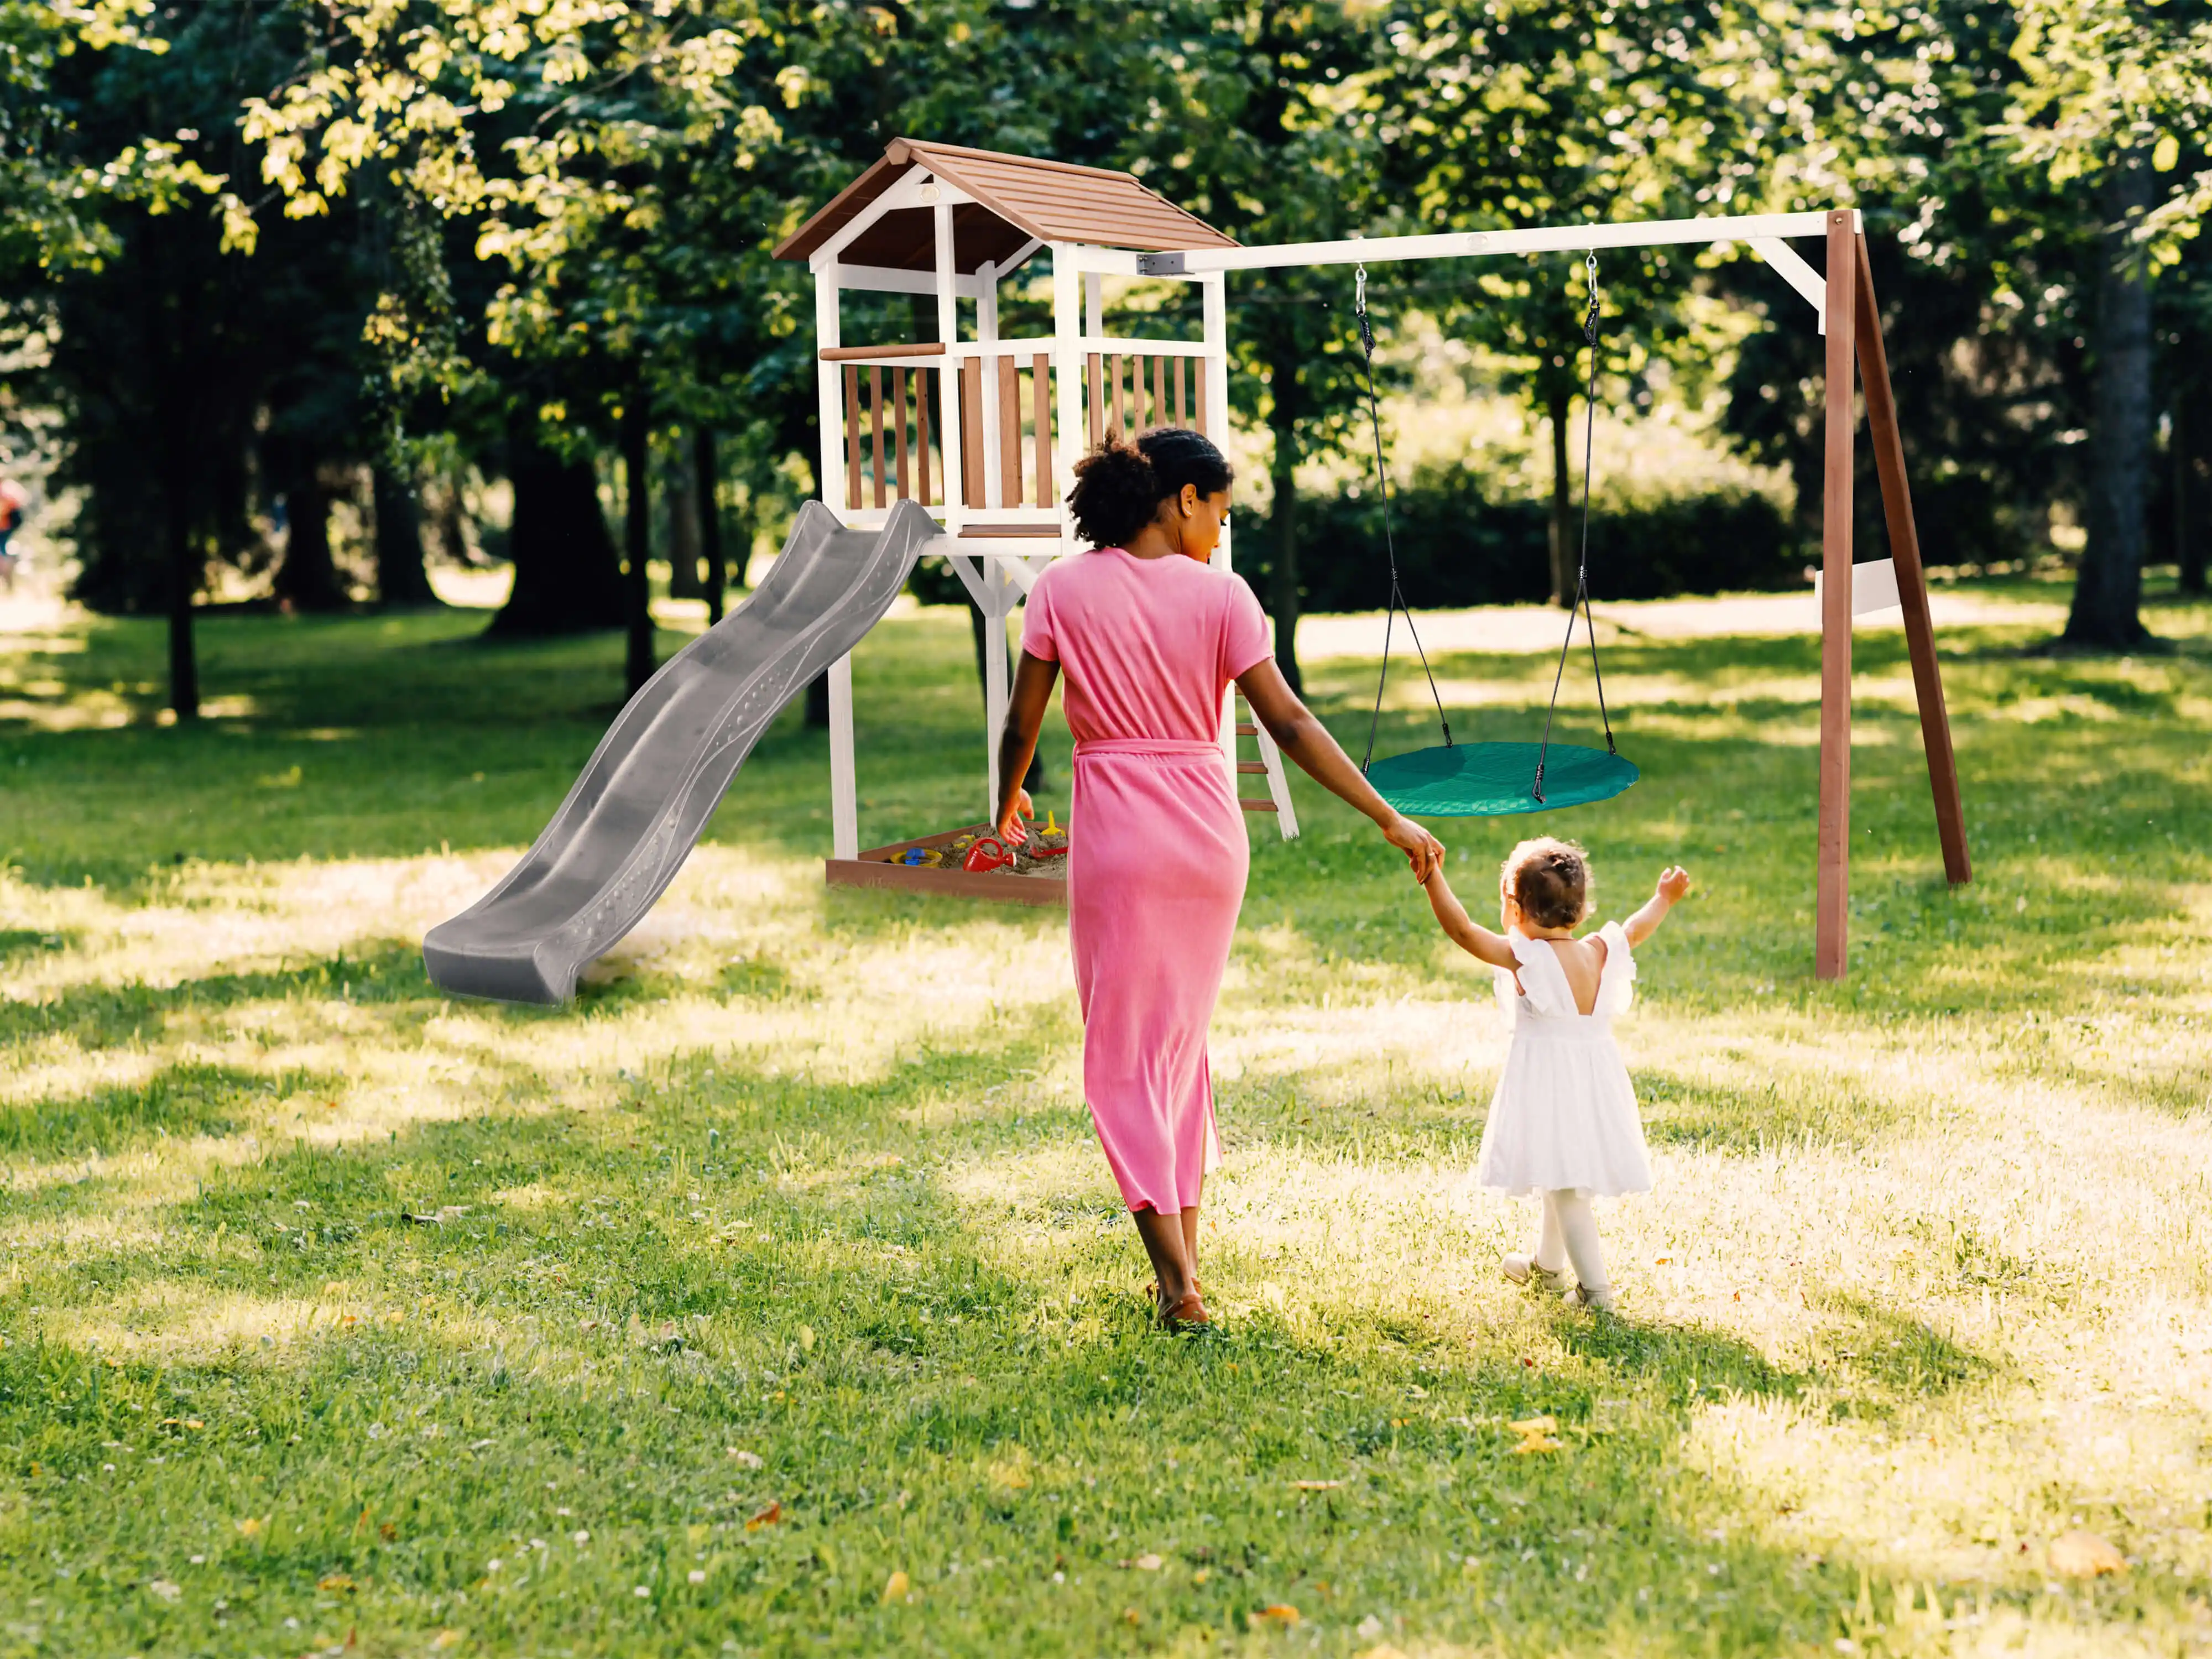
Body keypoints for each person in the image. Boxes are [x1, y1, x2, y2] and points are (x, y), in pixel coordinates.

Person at [993, 428, 1445, 1331]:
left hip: (1120, 841)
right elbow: (1289, 723)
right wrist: (1385, 813)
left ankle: (1175, 1285)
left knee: (1124, 1059)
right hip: (1207, 841)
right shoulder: (1225, 598)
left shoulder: (1060, 589)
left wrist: (1003, 808)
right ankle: (1185, 1269)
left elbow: (1023, 724)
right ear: (1183, 498)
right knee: (1176, 1051)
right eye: (1221, 514)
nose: (1221, 534)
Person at [1419, 838, 1691, 1311]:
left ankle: (1596, 1292)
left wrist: (1432, 876)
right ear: (1581, 910)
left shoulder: (1527, 958)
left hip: (1551, 1085)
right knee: (1556, 1170)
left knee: (1566, 1188)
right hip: (1593, 1081)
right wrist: (1663, 899)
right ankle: (1547, 1267)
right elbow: (1636, 928)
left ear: (1516, 908)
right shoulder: (1599, 950)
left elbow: (1462, 931)